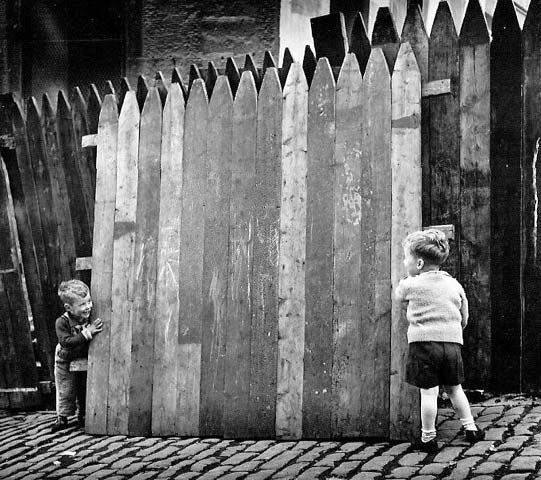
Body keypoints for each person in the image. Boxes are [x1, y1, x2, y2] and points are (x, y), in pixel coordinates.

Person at [395, 229, 485, 453]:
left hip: (424, 345)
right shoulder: (454, 284)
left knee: (428, 393)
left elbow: (399, 297)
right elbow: (464, 314)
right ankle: (471, 428)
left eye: (407, 258)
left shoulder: (410, 284)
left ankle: (428, 437)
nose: (404, 261)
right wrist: (455, 330)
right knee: (456, 389)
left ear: (419, 263)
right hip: (452, 345)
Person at [51, 280, 102, 432]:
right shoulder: (62, 322)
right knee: (65, 387)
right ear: (69, 307)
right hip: (64, 358)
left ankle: (83, 414)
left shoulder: (90, 316)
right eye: (82, 305)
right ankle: (62, 417)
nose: (88, 307)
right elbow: (66, 342)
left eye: (89, 302)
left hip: (82, 356)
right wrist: (87, 333)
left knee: (84, 385)